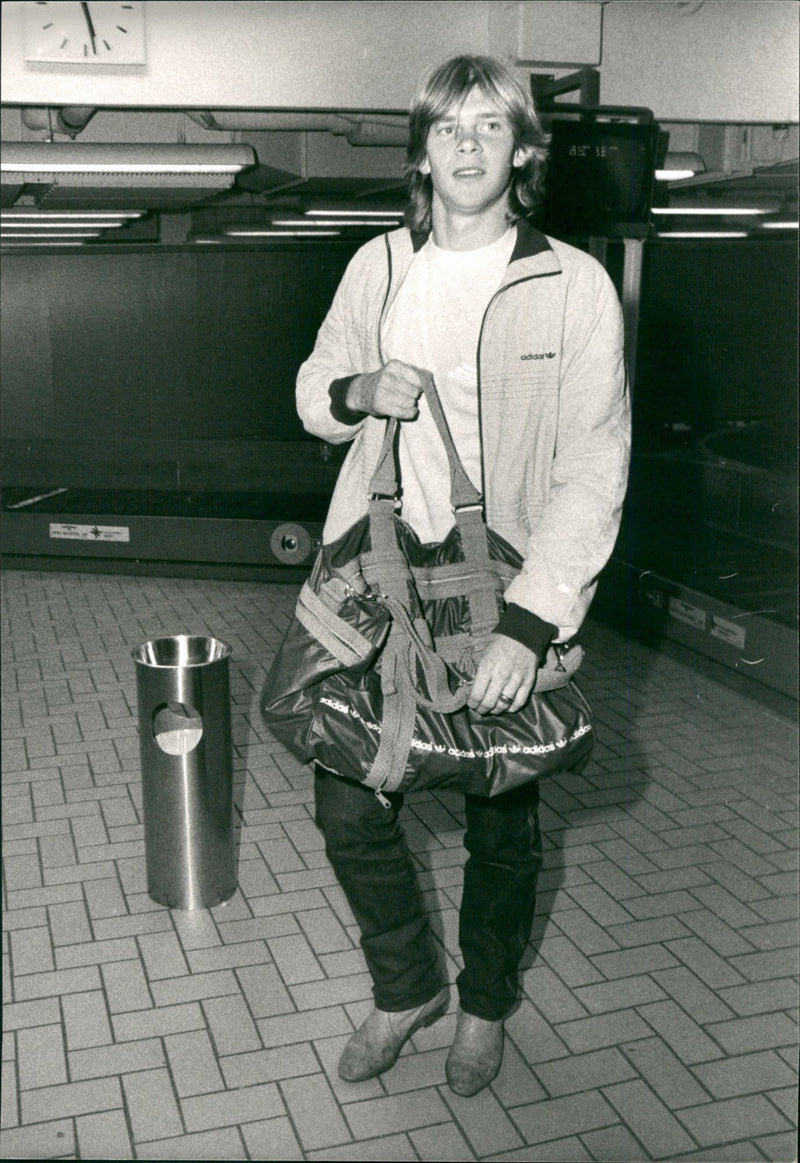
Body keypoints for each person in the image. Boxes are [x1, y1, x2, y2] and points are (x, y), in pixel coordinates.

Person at [294, 54, 630, 1096]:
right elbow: (312, 389)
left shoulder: (571, 282)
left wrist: (527, 627)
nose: (469, 144)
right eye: (449, 128)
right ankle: (407, 987)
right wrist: (357, 386)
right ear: (422, 152)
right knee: (346, 796)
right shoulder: (376, 267)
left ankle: (483, 1002)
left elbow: (593, 461)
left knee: (503, 815)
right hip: (383, 567)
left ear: (524, 149)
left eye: (491, 126)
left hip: (507, 580)